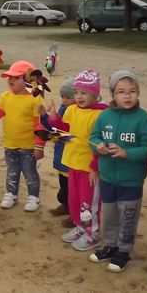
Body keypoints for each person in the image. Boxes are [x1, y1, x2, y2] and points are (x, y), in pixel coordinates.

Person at [87, 71, 147, 273]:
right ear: (113, 94)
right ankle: (110, 246)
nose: (127, 96)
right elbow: (92, 137)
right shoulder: (104, 115)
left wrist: (127, 153)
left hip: (131, 180)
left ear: (138, 93)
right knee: (109, 215)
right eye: (122, 92)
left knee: (127, 216)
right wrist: (98, 145)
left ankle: (124, 250)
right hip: (107, 177)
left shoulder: (144, 119)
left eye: (132, 91)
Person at [42, 68, 108, 251]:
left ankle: (92, 233)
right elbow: (64, 130)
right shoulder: (71, 110)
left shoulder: (101, 114)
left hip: (89, 169)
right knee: (75, 199)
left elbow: (102, 143)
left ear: (95, 94)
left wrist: (95, 166)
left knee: (89, 203)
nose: (79, 96)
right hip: (72, 163)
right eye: (76, 92)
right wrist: (53, 118)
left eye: (84, 93)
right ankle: (80, 227)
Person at [0, 61, 45, 212]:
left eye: (16, 77)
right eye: (9, 77)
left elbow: (40, 125)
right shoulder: (5, 96)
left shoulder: (35, 99)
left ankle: (34, 197)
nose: (11, 80)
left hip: (28, 146)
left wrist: (39, 146)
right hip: (10, 144)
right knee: (12, 171)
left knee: (29, 172)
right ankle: (11, 193)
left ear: (28, 80)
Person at [49, 77, 76, 221]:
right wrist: (45, 117)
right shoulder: (63, 108)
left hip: (71, 154)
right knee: (63, 182)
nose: (64, 100)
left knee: (73, 185)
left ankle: (74, 211)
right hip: (61, 152)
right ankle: (64, 204)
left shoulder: (77, 112)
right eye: (62, 97)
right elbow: (56, 127)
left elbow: (70, 132)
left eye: (68, 97)